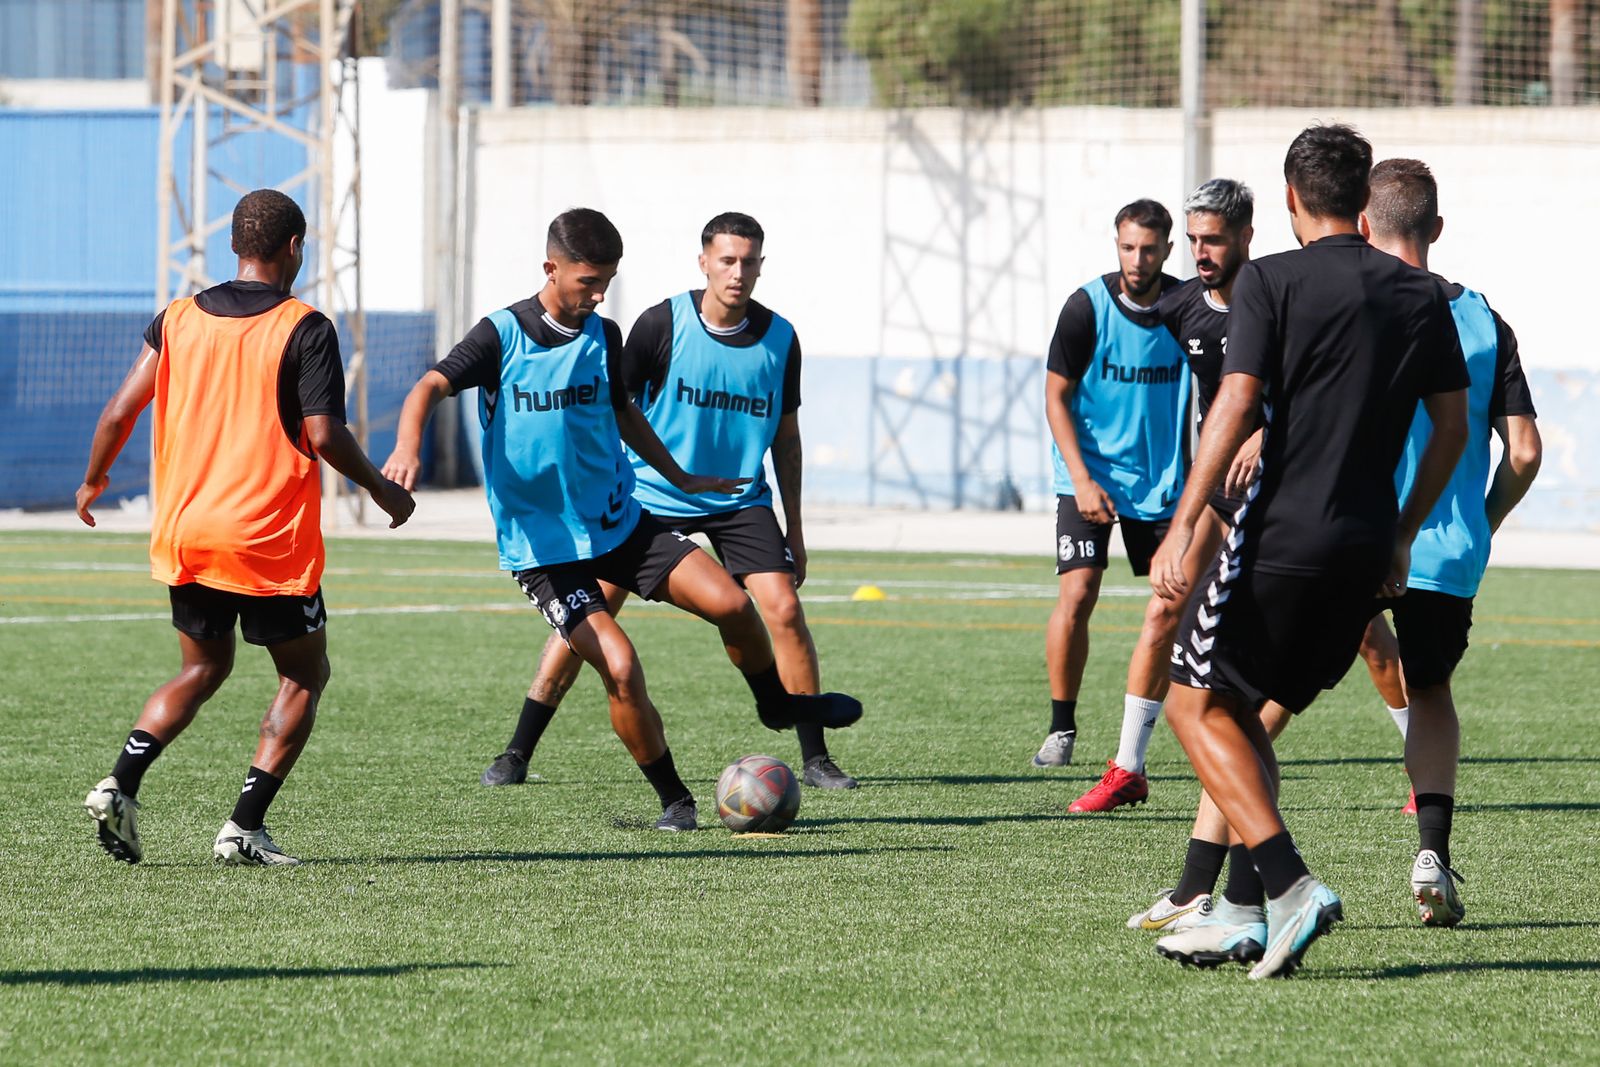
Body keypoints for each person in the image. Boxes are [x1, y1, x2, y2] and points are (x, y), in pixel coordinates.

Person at [382, 208, 861, 832]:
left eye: (608, 280)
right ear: (551, 268)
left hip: (619, 524)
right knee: (620, 662)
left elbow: (627, 415)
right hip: (546, 550)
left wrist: (682, 477)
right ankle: (675, 802)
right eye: (589, 281)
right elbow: (428, 386)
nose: (600, 293)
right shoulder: (503, 334)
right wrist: (406, 446)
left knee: (734, 605)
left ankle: (775, 707)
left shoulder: (603, 334)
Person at [1145, 124, 1469, 979]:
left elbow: (1236, 402)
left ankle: (1289, 886)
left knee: (1191, 703)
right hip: (1366, 552)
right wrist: (1401, 531)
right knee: (1246, 714)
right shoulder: (1419, 294)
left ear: (1290, 198)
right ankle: (1243, 914)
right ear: (1363, 202)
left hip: (1280, 537)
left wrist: (1184, 526)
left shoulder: (1271, 280)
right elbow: (1452, 428)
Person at [79, 189, 416, 867]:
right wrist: (383, 490)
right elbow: (323, 433)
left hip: (188, 530)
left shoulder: (177, 318)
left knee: (201, 668)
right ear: (294, 246)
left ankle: (121, 779)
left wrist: (93, 479)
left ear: (235, 245)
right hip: (266, 538)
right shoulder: (305, 326)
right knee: (303, 675)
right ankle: (243, 827)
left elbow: (119, 411)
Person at [1357, 158, 1541, 925]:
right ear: (1435, 229)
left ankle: (1225, 869)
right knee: (1430, 692)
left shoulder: (1351, 303)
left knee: (1262, 703)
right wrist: (1482, 524)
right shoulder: (1483, 319)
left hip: (1353, 539)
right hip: (1449, 551)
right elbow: (1525, 451)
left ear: (1363, 226)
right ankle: (1431, 848)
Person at [1070, 179, 1258, 814]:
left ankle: (1419, 771)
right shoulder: (1185, 309)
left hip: (1287, 491)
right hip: (1215, 494)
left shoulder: (1276, 301)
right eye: (1196, 240)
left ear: (1246, 239)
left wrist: (1266, 432)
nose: (1201, 253)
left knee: (1363, 636)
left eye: (1214, 240)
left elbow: (1322, 385)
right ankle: (1127, 768)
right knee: (1161, 610)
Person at [1039, 200, 1189, 782]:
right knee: (1077, 597)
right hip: (1088, 478)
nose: (1137, 258)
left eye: (1149, 248)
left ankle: (1176, 719)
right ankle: (1061, 727)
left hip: (1162, 485)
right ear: (1116, 245)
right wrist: (1080, 480)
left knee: (1179, 604)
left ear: (1167, 251)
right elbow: (1055, 397)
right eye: (1128, 246)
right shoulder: (1086, 308)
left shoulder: (1185, 308)